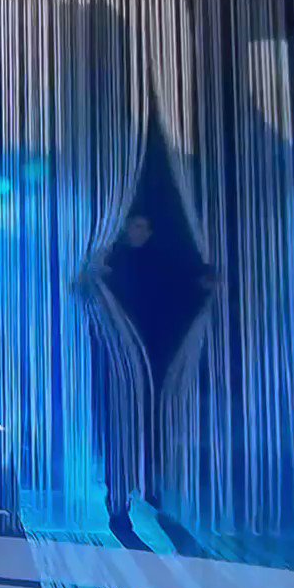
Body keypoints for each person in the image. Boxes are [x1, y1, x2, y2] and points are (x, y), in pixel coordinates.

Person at [85, 213, 215, 548]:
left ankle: (151, 495)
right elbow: (88, 295)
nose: (136, 232)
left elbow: (179, 294)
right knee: (120, 433)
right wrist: (94, 277)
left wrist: (204, 288)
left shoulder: (158, 265)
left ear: (150, 230)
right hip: (117, 364)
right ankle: (119, 505)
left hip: (153, 360)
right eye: (132, 227)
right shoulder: (112, 265)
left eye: (142, 227)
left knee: (150, 432)